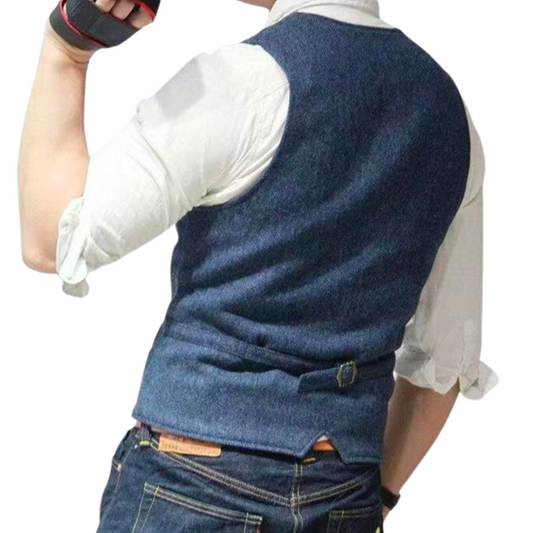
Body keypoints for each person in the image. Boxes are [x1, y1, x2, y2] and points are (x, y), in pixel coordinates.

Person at [18, 1, 499, 531]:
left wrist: (66, 52)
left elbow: (50, 240)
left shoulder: (240, 83)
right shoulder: (451, 118)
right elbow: (444, 367)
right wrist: (373, 499)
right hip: (346, 491)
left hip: (192, 482)